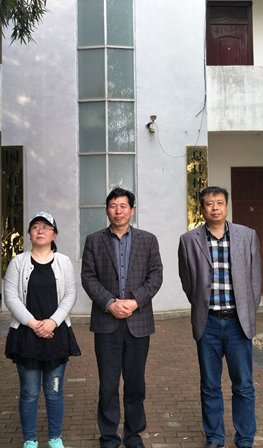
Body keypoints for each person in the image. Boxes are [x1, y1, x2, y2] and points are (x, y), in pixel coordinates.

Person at [178, 186, 262, 448]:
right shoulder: (189, 240)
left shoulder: (247, 236)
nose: (215, 207)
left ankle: (245, 438)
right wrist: (201, 306)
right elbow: (187, 281)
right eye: (209, 203)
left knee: (243, 384)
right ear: (202, 208)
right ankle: (215, 437)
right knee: (210, 384)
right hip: (209, 323)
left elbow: (255, 279)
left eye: (220, 203)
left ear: (227, 206)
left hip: (238, 323)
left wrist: (246, 311)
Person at [81, 187, 163, 448]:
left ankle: (133, 435)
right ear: (107, 210)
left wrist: (135, 301)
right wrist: (109, 303)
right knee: (108, 384)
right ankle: (108, 436)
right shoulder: (94, 240)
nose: (118, 211)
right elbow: (88, 278)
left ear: (132, 210)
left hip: (138, 322)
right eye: (113, 206)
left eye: (123, 206)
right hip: (106, 323)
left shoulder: (148, 240)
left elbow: (156, 275)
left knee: (135, 384)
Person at [4, 211, 81, 448]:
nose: (40, 231)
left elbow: (70, 295)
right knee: (29, 392)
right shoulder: (18, 262)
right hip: (26, 335)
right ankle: (30, 440)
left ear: (54, 234)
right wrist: (34, 324)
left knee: (54, 391)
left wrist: (52, 322)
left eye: (46, 227)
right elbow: (11, 297)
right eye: (36, 226)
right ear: (29, 233)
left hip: (56, 334)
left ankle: (55, 438)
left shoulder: (63, 262)